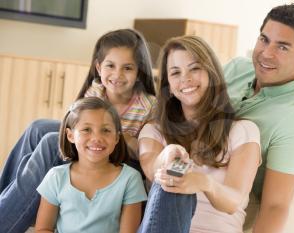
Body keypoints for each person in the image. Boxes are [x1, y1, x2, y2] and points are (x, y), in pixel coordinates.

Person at [138, 3, 294, 233]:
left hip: (227, 205)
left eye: (282, 47)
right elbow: (189, 97)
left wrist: (204, 183)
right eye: (264, 39)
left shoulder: (293, 120)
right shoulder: (238, 68)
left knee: (175, 182)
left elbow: (276, 206)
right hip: (170, 205)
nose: (266, 53)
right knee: (171, 179)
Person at [0, 28, 156, 233]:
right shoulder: (96, 91)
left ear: (139, 72)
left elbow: (146, 150)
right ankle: (7, 200)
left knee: (49, 141)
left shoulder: (148, 105)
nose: (117, 74)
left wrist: (122, 137)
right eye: (111, 66)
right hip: (90, 149)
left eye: (127, 68)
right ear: (99, 68)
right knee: (38, 127)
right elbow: (76, 122)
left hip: (119, 156)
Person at [137, 35, 261, 233]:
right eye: (175, 73)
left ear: (211, 74)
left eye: (194, 68)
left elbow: (233, 201)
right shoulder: (153, 130)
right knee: (170, 177)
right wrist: (167, 155)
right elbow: (152, 168)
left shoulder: (242, 131)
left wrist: (204, 183)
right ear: (168, 86)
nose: (185, 79)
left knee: (176, 178)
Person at [35, 97, 147, 233]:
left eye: (105, 130)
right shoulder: (56, 177)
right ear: (70, 135)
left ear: (117, 138)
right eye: (86, 129)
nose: (97, 138)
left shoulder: (130, 179)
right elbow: (43, 229)